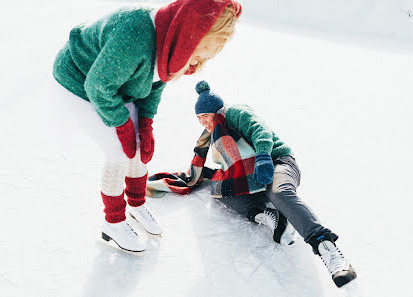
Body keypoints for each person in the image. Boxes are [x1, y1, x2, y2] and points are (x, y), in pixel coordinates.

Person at [52, 0, 242, 253]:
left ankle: (137, 205)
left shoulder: (171, 45)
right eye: (198, 53)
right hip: (79, 79)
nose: (196, 64)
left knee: (139, 149)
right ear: (189, 34)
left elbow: (154, 85)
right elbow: (98, 86)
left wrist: (145, 122)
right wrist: (123, 126)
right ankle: (114, 223)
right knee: (119, 151)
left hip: (117, 83)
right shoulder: (135, 36)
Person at [147, 81, 357, 287]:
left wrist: (264, 157)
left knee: (278, 193)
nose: (203, 122)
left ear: (216, 110)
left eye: (205, 116)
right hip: (252, 177)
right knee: (221, 190)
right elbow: (230, 166)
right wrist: (200, 175)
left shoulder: (236, 113)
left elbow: (261, 131)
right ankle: (266, 215)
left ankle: (328, 249)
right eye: (199, 118)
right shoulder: (213, 134)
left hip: (277, 162)